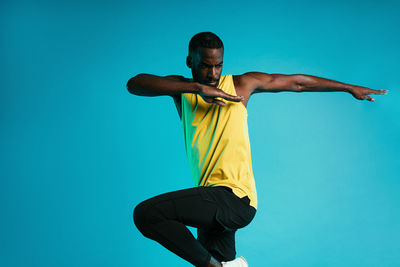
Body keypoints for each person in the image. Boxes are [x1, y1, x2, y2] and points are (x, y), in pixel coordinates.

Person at [126, 32, 387, 267]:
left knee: (147, 214)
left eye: (218, 66)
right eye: (205, 66)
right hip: (211, 203)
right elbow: (135, 83)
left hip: (234, 199)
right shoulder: (182, 91)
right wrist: (196, 88)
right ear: (190, 62)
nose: (213, 74)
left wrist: (349, 87)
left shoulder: (241, 85)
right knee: (213, 259)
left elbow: (297, 82)